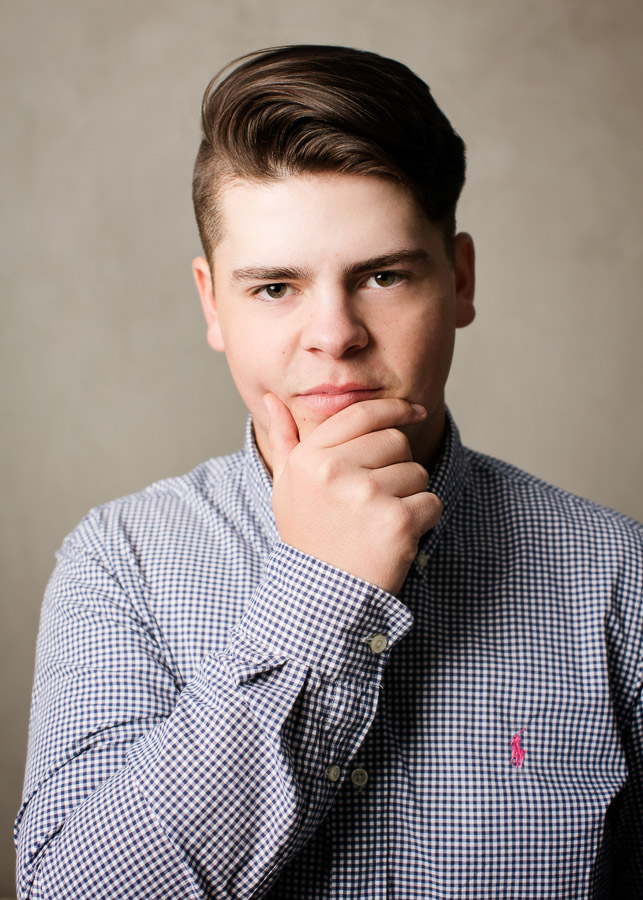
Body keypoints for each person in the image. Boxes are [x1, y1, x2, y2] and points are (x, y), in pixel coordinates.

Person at [15, 44, 642, 899]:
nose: (333, 335)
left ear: (458, 281)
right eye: (274, 287)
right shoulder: (118, 562)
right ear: (212, 304)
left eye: (381, 276)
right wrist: (321, 591)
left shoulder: (617, 577)